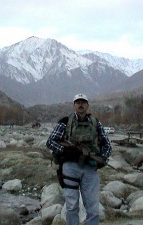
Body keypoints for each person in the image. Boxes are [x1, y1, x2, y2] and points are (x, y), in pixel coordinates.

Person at [46, 93, 112, 225]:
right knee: (71, 206)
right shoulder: (65, 122)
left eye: (83, 102)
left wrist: (102, 159)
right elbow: (50, 142)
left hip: (90, 168)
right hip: (70, 167)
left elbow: (107, 145)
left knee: (93, 208)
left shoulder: (95, 122)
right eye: (78, 102)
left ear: (87, 105)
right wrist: (66, 151)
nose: (80, 104)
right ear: (74, 106)